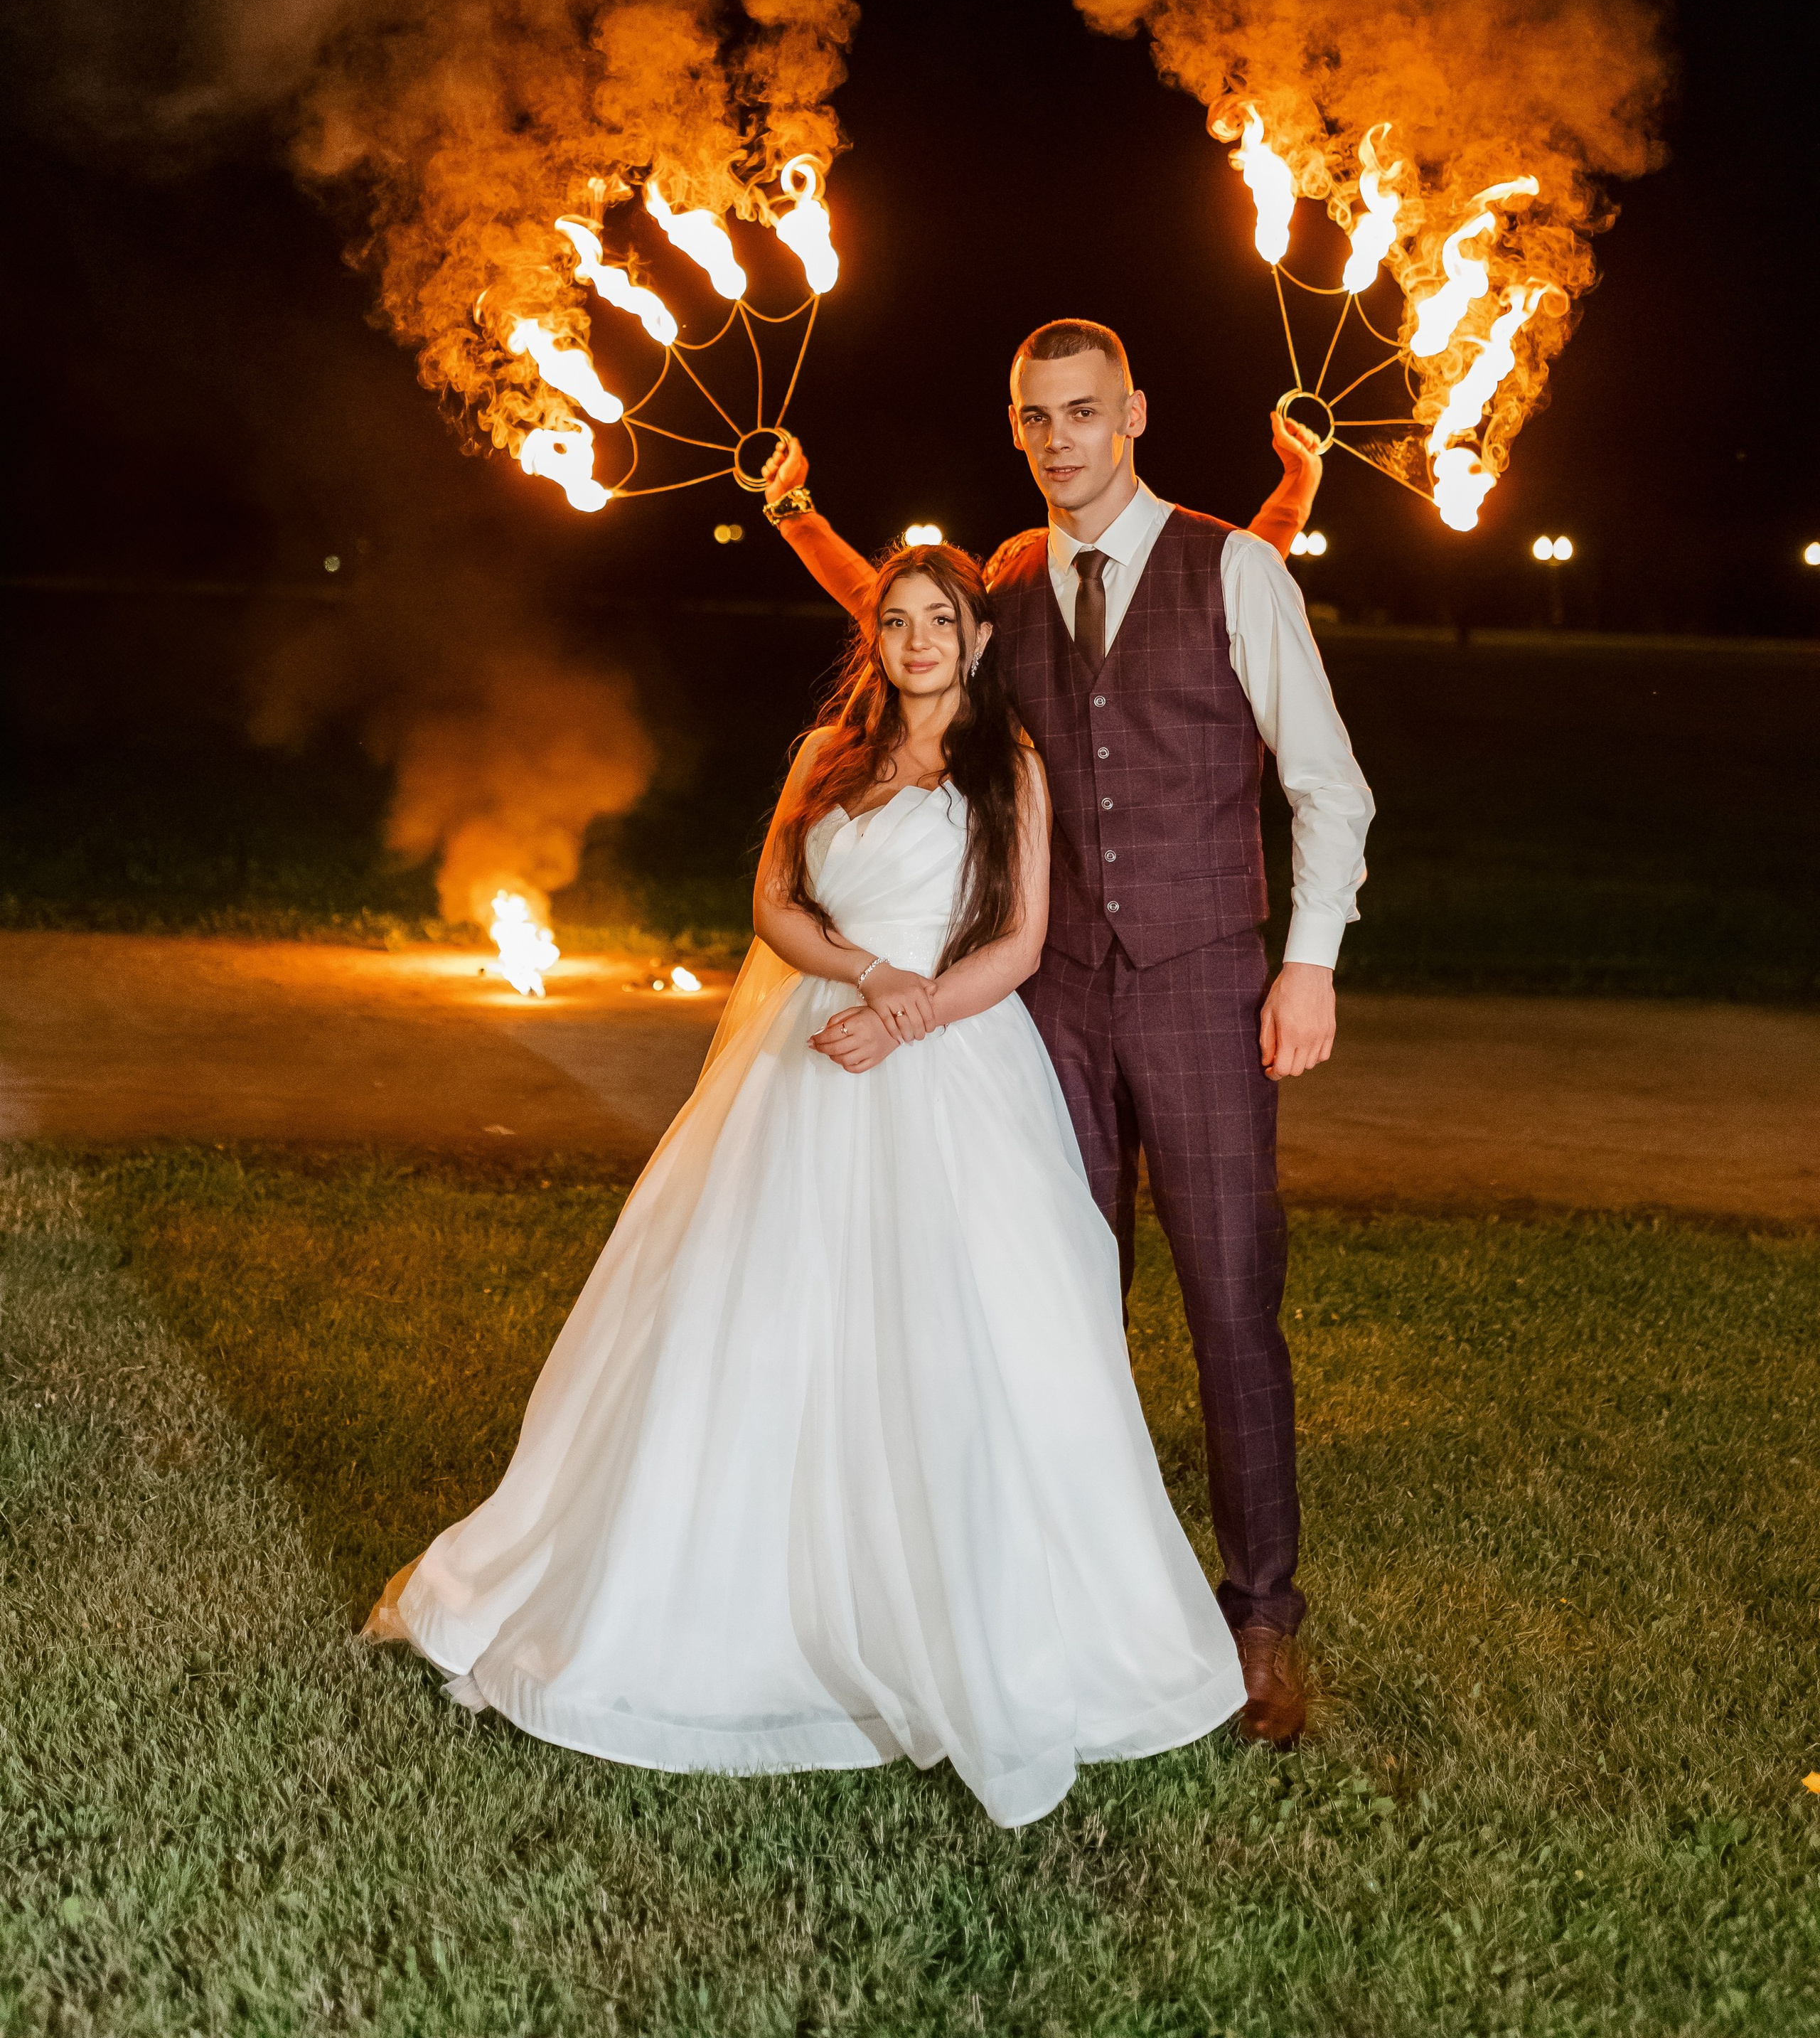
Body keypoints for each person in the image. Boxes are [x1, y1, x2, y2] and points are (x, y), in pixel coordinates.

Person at [366, 540, 1246, 1828]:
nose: (919, 641)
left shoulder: (1012, 769)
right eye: (898, 621)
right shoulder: (822, 757)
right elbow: (774, 904)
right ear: (876, 639)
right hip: (811, 1046)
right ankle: (717, 1604)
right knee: (751, 1313)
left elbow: (1022, 941)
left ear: (978, 641)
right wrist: (863, 978)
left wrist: (916, 1010)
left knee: (964, 1335)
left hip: (955, 1066)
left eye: (942, 621)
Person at [761, 324, 1374, 1745]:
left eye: (1084, 413)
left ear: (1136, 414)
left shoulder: (1236, 568)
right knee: (1051, 1307)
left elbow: (1327, 790)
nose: (1059, 440)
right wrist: (795, 508)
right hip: (1048, 1007)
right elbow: (892, 625)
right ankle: (1069, 1594)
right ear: (1016, 427)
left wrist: (1307, 966)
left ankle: (1257, 1619)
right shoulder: (1010, 583)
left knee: (1228, 1302)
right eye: (1035, 418)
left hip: (1208, 986)